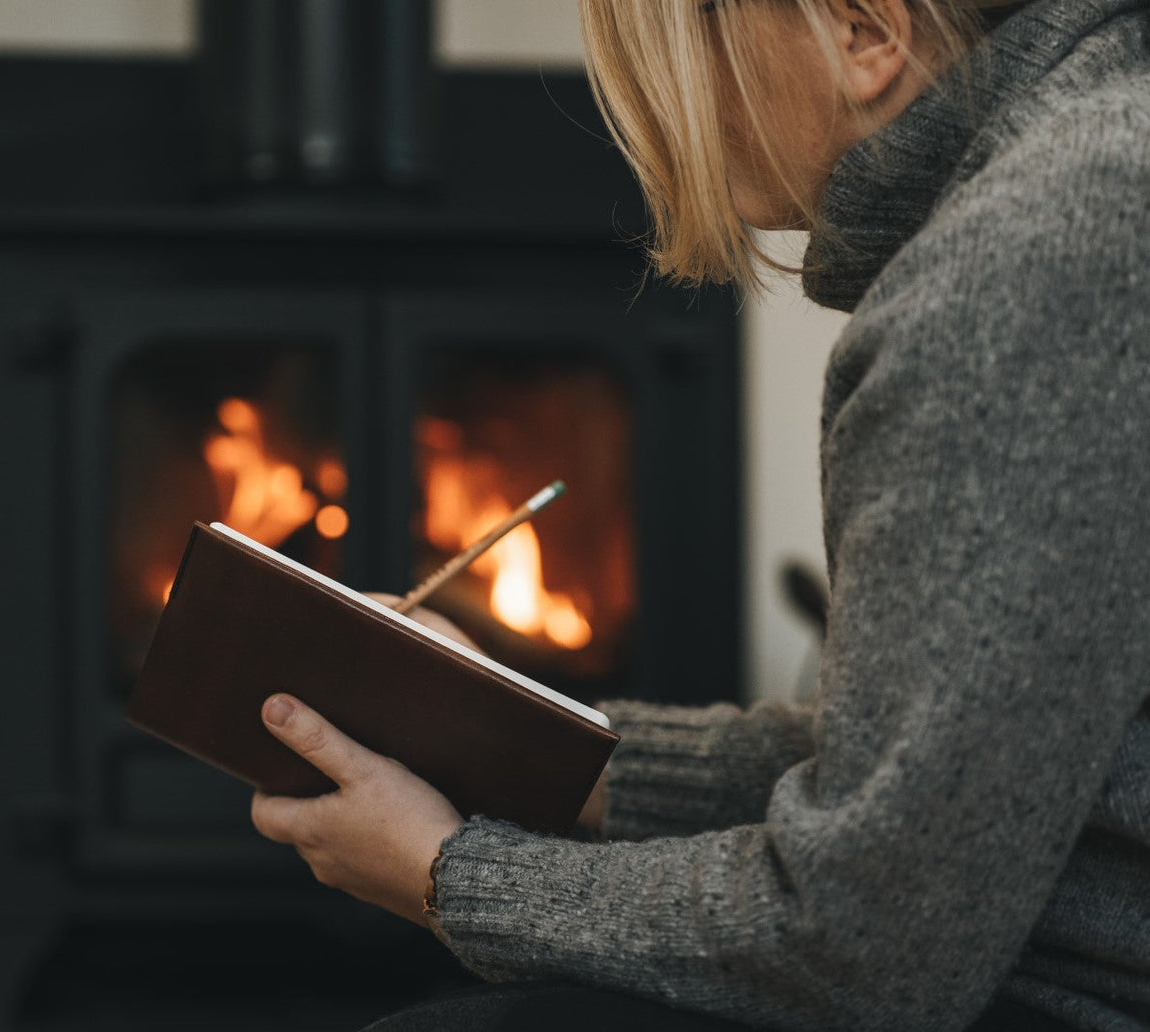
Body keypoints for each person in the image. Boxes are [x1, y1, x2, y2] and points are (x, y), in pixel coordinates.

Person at [248, 0, 1150, 1028]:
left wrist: (442, 874)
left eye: (686, 57)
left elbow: (860, 943)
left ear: (863, 33)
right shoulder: (1095, 161)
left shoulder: (1025, 266)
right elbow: (931, 770)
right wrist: (499, 727)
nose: (669, 116)